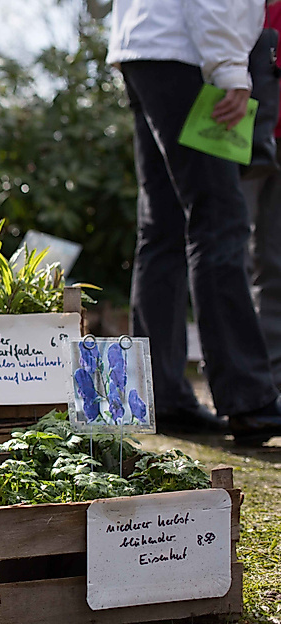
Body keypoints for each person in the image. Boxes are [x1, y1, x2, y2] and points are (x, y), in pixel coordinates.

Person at [109, 0, 281, 445]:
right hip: (190, 55)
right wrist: (230, 71)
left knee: (162, 227)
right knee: (219, 219)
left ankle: (161, 396)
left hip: (142, 48)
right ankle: (249, 399)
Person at [241, 4, 281, 391]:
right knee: (235, 251)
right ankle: (247, 373)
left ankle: (272, 374)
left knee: (273, 260)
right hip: (243, 134)